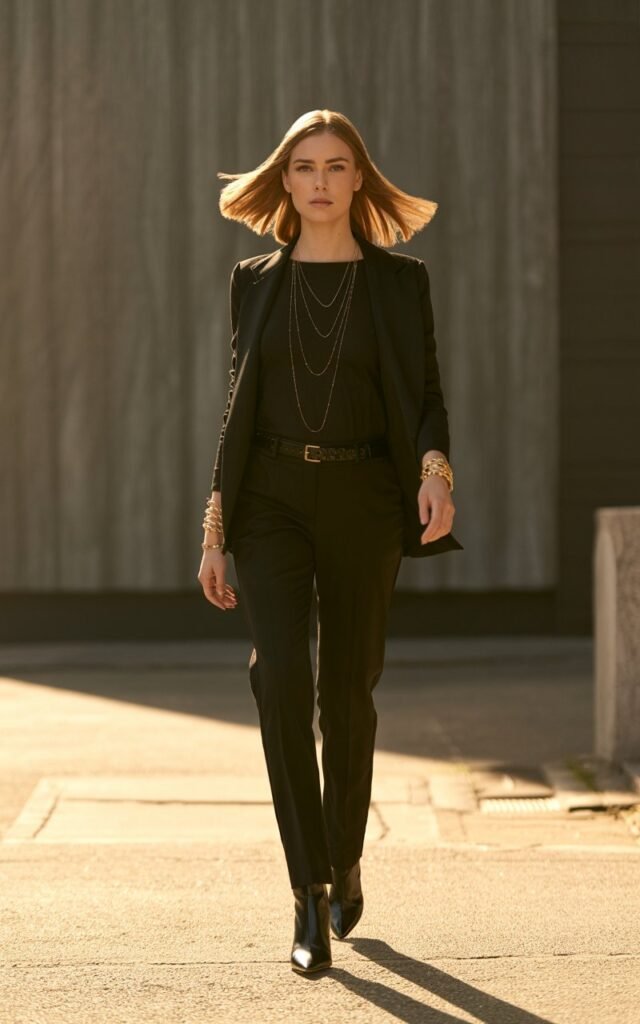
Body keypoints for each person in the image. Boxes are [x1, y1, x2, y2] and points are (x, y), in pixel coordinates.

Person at [197, 109, 463, 974]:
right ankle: (308, 891)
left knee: (348, 693)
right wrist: (215, 526)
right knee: (279, 677)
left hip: (363, 498)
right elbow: (239, 409)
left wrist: (434, 472)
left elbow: (424, 392)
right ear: (285, 180)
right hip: (270, 497)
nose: (318, 180)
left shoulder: (400, 283)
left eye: (335, 165)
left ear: (358, 180)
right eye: (304, 165)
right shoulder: (254, 280)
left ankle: (345, 853)